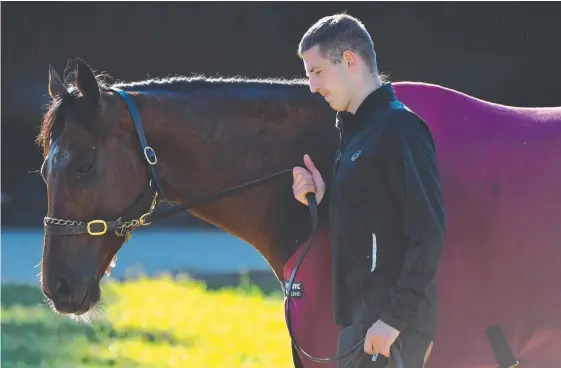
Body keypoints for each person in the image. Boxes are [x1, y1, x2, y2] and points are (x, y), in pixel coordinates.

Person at [292, 13, 447, 368]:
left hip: (390, 328)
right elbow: (374, 218)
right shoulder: (358, 132)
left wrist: (394, 320)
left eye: (317, 73)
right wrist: (322, 194)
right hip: (361, 323)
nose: (312, 87)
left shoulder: (400, 128)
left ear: (349, 60)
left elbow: (428, 231)